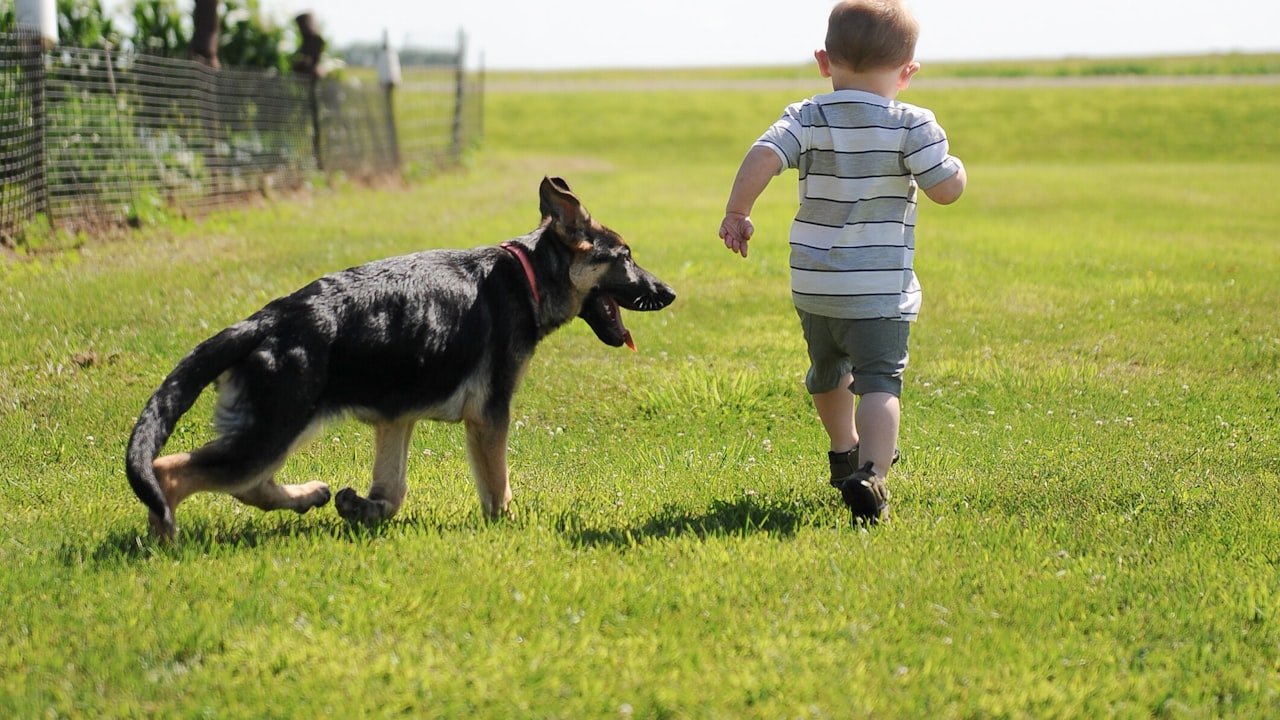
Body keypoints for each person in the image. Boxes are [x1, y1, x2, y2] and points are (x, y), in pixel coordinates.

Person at [718, 0, 966, 523]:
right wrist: (956, 169)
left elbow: (764, 154)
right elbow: (944, 190)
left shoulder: (806, 116)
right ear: (908, 72)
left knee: (827, 372)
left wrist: (738, 210)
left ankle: (842, 450)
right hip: (878, 292)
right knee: (879, 383)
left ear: (823, 61)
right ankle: (873, 474)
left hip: (816, 286)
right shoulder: (912, 124)